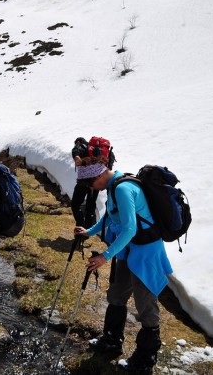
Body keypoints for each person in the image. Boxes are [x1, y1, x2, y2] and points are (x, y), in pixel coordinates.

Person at [74, 156, 173, 374]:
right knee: (117, 294)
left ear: (100, 174)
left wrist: (105, 256)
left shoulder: (123, 188)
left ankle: (145, 360)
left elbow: (130, 229)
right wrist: (89, 231)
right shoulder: (113, 185)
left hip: (146, 253)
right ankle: (111, 340)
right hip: (130, 250)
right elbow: (110, 216)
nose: (92, 188)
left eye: (91, 183)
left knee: (145, 305)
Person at [71, 137, 99, 228]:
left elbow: (75, 151)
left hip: (84, 181)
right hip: (97, 182)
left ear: (78, 142)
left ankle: (80, 225)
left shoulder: (80, 145)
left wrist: (77, 157)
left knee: (75, 204)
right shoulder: (96, 149)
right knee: (91, 205)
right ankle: (88, 229)